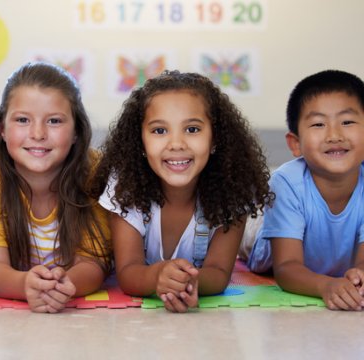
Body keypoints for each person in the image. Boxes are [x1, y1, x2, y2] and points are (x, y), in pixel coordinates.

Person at [90, 70, 272, 312]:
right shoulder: (124, 186)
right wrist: (158, 277)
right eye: (159, 131)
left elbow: (219, 273)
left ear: (215, 138)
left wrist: (189, 282)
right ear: (140, 142)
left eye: (193, 129)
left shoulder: (232, 188)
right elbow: (128, 273)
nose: (176, 143)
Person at [0, 62, 111, 313]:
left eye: (54, 121)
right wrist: (26, 285)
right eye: (23, 120)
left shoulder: (94, 168)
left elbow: (93, 262)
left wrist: (65, 286)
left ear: (76, 131)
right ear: (2, 129)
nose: (38, 133)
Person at [246, 70, 364, 311]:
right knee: (245, 229)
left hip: (327, 252)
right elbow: (287, 268)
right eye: (319, 124)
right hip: (266, 242)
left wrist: (359, 277)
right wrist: (325, 286)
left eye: (347, 122)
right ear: (295, 144)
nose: (335, 135)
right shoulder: (286, 182)